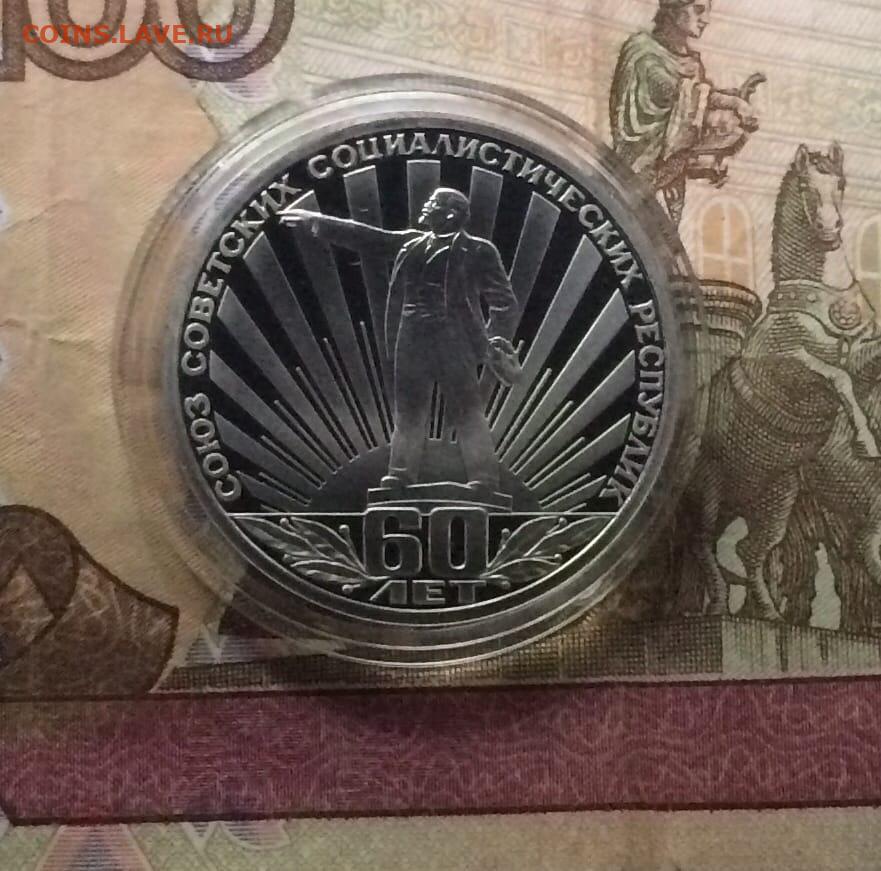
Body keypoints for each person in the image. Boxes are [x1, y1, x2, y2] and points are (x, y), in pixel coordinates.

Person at [280, 188, 519, 495]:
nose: (426, 207)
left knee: (467, 409)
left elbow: (504, 301)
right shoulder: (411, 243)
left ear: (451, 214)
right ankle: (400, 475)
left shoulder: (479, 250)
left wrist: (492, 342)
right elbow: (368, 237)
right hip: (410, 337)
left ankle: (484, 479)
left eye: (432, 204)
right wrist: (318, 221)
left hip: (454, 339)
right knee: (408, 409)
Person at [610, 0, 761, 224]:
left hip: (670, 170)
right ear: (673, 9)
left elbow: (692, 101)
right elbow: (676, 93)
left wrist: (734, 105)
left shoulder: (691, 62)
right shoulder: (643, 51)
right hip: (637, 168)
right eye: (698, 10)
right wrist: (733, 104)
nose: (705, 20)